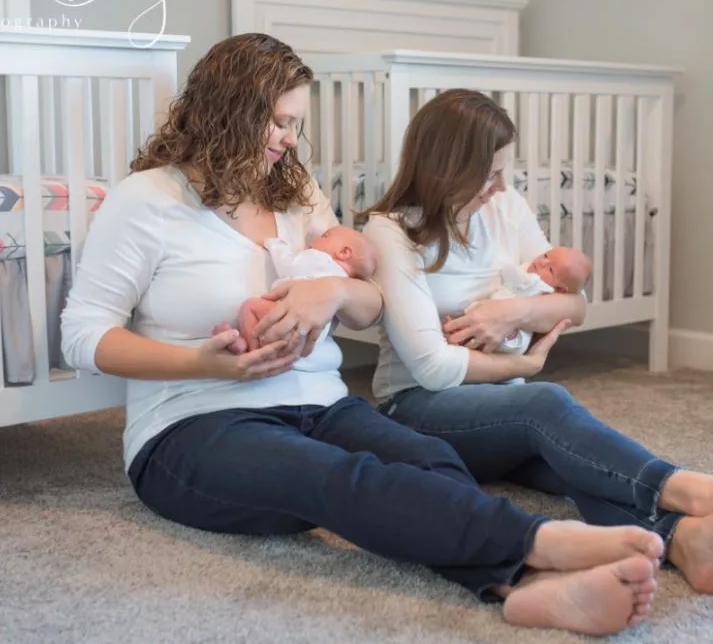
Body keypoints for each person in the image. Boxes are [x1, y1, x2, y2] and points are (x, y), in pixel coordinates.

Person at [60, 34, 664, 637]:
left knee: (431, 460)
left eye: (296, 123)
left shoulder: (295, 192)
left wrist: (334, 292)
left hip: (320, 403)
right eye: (277, 121)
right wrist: (206, 365)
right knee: (338, 479)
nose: (290, 139)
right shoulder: (147, 199)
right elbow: (83, 337)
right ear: (226, 111)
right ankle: (541, 547)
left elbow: (371, 302)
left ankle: (518, 588)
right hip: (195, 424)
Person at [361, 88, 713, 599]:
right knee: (546, 404)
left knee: (575, 463)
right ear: (447, 167)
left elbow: (575, 303)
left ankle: (681, 538)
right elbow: (434, 370)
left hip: (496, 408)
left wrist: (514, 311)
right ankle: (683, 487)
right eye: (490, 173)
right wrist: (522, 362)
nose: (501, 185)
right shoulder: (391, 232)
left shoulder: (504, 206)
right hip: (416, 408)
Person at [214, 225, 377, 355]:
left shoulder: (318, 258)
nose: (316, 238)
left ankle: (252, 348)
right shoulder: (345, 279)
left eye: (325, 236)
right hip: (313, 335)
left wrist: (276, 246)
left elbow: (288, 267)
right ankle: (242, 342)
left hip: (291, 320)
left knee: (250, 306)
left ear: (343, 252)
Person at [444, 245, 592, 357]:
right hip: (492, 312)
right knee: (476, 320)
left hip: (516, 333)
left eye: (551, 270)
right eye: (546, 255)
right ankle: (462, 335)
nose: (542, 262)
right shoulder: (529, 268)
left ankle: (465, 337)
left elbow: (510, 272)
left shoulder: (541, 287)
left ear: (560, 290)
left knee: (509, 340)